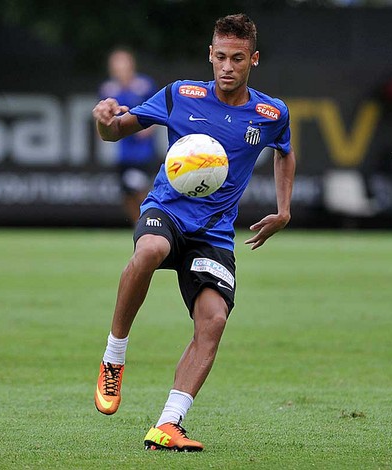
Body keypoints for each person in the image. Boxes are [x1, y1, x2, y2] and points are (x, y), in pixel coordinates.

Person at [92, 14, 295, 451]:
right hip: (165, 210)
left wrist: (283, 210)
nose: (227, 66)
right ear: (210, 54)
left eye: (237, 58)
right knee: (147, 251)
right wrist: (103, 121)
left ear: (253, 60)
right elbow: (115, 132)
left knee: (214, 320)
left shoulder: (270, 112)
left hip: (214, 234)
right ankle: (114, 357)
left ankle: (168, 424)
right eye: (220, 56)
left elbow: (284, 152)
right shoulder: (179, 94)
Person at [98, 47, 159, 224]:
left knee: (140, 189)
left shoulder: (144, 85)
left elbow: (155, 111)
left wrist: (148, 127)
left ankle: (151, 222)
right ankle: (138, 224)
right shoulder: (109, 89)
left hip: (143, 152)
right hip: (123, 153)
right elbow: (103, 117)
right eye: (116, 63)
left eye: (123, 62)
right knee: (127, 192)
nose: (119, 67)